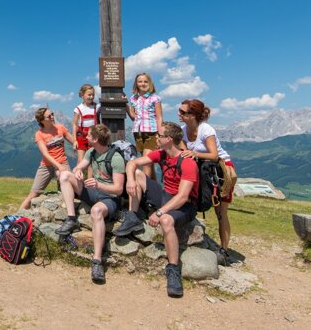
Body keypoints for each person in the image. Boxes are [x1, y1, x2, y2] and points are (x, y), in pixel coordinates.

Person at [113, 121, 198, 298]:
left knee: (166, 221)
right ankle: (133, 217)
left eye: (159, 135)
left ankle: (173, 269)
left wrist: (160, 212)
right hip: (165, 195)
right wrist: (130, 180)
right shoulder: (161, 154)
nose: (156, 138)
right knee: (137, 174)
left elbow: (183, 197)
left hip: (185, 204)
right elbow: (132, 163)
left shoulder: (188, 163)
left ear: (169, 139)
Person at [52, 124, 124, 284]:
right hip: (93, 191)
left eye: (89, 135)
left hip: (109, 198)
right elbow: (80, 166)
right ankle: (71, 218)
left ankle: (97, 260)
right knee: (64, 175)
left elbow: (119, 190)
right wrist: (78, 170)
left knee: (96, 212)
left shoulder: (116, 158)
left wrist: (99, 185)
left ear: (96, 139)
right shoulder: (91, 152)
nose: (86, 137)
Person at [179, 98, 235, 265]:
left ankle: (224, 250)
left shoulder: (206, 129)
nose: (179, 114)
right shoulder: (183, 130)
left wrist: (195, 154)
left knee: (221, 211)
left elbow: (214, 155)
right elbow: (184, 152)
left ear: (193, 115)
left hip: (220, 171)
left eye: (183, 112)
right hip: (201, 170)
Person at [20, 107, 77, 210]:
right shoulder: (39, 134)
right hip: (46, 165)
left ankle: (68, 214)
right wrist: (58, 166)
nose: (52, 117)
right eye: (49, 116)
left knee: (68, 191)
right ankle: (17, 215)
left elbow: (73, 141)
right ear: (42, 120)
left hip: (63, 162)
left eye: (52, 114)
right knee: (33, 194)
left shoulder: (61, 128)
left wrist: (77, 143)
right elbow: (45, 154)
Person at [126, 72, 162, 179]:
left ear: (150, 83)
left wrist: (160, 134)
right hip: (138, 133)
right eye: (140, 81)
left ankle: (145, 187)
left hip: (152, 132)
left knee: (146, 162)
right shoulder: (133, 99)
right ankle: (154, 187)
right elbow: (133, 117)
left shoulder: (155, 98)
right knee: (148, 163)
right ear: (136, 84)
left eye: (145, 81)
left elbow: (159, 117)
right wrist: (126, 105)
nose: (143, 84)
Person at [72, 84, 98, 178]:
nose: (91, 97)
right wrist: (74, 140)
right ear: (82, 95)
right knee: (80, 160)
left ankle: (90, 180)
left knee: (92, 159)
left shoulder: (96, 107)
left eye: (93, 95)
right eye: (89, 95)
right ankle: (77, 180)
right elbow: (74, 124)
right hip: (81, 135)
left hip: (93, 135)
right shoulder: (78, 109)